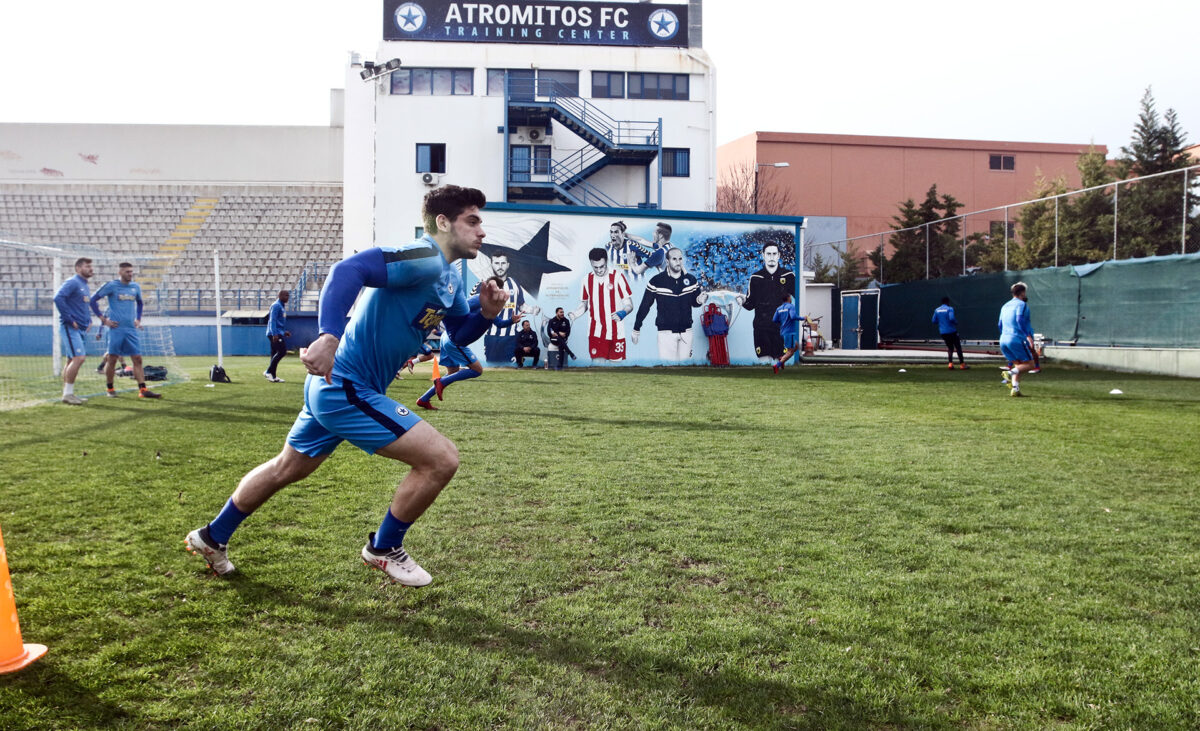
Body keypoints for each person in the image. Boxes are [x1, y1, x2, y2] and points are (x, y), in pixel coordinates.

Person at [185, 185, 506, 587]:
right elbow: (348, 270)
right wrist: (328, 336)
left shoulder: (451, 277)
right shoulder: (424, 257)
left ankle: (212, 537)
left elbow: (459, 331)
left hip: (339, 388)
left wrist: (488, 314)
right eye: (472, 221)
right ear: (443, 223)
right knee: (441, 459)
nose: (482, 232)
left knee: (286, 468)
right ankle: (384, 547)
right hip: (346, 387)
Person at [415, 277, 517, 410]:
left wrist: (511, 321)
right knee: (477, 370)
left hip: (448, 338)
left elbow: (498, 323)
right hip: (454, 341)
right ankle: (440, 382)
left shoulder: (488, 305)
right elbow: (462, 310)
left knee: (453, 372)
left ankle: (424, 399)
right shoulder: (478, 299)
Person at [89, 261, 162, 399]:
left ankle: (143, 390)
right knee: (112, 359)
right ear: (120, 272)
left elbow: (140, 303)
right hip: (116, 329)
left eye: (131, 271)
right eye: (127, 271)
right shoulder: (111, 286)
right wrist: (104, 320)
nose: (130, 274)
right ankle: (110, 389)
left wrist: (138, 319)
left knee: (137, 359)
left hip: (131, 329)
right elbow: (92, 300)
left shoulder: (135, 287)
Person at [631, 247, 706, 360]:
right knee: (668, 370)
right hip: (665, 333)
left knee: (686, 370)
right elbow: (645, 306)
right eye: (674, 259)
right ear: (667, 261)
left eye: (680, 259)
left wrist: (700, 300)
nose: (678, 262)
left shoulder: (691, 280)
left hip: (687, 332)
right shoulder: (656, 281)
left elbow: (694, 303)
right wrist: (636, 329)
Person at [472, 252, 539, 365]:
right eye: (497, 263)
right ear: (491, 264)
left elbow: (521, 305)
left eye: (503, 263)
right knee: (492, 367)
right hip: (492, 336)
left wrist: (532, 310)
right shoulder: (483, 284)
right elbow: (474, 307)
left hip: (511, 337)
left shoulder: (514, 284)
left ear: (508, 265)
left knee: (510, 367)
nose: (500, 266)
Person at [570, 247, 632, 361]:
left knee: (616, 371)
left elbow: (629, 305)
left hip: (616, 332)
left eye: (602, 266)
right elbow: (585, 304)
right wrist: (575, 314)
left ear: (606, 261)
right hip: (596, 332)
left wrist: (623, 313)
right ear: (591, 264)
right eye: (595, 267)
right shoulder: (586, 280)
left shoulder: (617, 277)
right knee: (598, 367)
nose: (599, 270)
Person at [736, 243, 795, 360]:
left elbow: (798, 297)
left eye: (774, 254)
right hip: (761, 328)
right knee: (763, 361)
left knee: (781, 361)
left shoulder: (788, 276)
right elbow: (750, 304)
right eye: (769, 254)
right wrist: (742, 302)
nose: (771, 257)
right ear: (763, 255)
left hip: (781, 329)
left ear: (779, 255)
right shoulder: (756, 278)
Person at [53, 257, 95, 405]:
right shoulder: (72, 282)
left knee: (71, 359)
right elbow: (58, 298)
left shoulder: (84, 285)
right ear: (78, 268)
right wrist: (70, 319)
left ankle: (68, 393)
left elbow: (83, 306)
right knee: (79, 358)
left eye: (91, 266)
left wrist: (89, 320)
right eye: (87, 266)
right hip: (70, 327)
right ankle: (67, 394)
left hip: (82, 328)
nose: (91, 269)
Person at [998, 281, 1036, 397]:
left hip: (1003, 339)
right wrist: (1028, 336)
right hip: (1016, 338)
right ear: (1022, 293)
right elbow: (1019, 319)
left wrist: (1004, 335)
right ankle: (1009, 373)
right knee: (1030, 365)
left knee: (1018, 365)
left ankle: (1015, 389)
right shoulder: (1021, 304)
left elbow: (999, 324)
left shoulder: (1005, 305)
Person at [770, 293, 802, 374]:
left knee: (796, 346)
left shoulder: (779, 308)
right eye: (790, 298)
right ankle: (777, 365)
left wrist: (783, 321)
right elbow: (793, 317)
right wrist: (803, 318)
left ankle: (782, 359)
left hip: (783, 331)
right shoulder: (791, 306)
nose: (791, 299)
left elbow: (774, 320)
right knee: (790, 351)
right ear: (788, 298)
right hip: (789, 332)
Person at [933, 297, 967, 370]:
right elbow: (951, 318)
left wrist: (942, 323)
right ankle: (962, 364)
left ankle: (950, 364)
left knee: (950, 348)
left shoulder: (937, 310)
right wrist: (955, 322)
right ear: (948, 302)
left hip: (943, 332)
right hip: (952, 331)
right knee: (958, 347)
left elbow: (933, 321)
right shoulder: (950, 309)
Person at [264, 290, 291, 382]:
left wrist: (284, 332)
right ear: (280, 296)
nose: (288, 297)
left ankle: (273, 376)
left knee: (274, 354)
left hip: (279, 332)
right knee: (282, 351)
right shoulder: (276, 305)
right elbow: (272, 320)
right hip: (274, 334)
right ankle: (268, 371)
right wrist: (274, 333)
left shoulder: (281, 306)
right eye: (286, 295)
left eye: (288, 295)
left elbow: (279, 322)